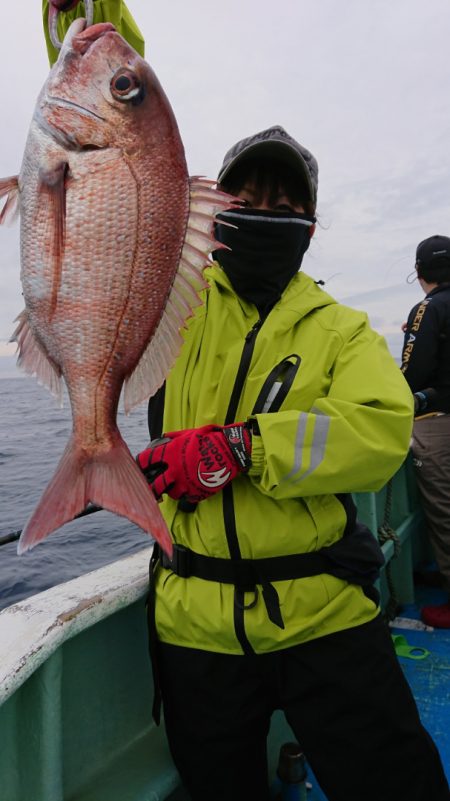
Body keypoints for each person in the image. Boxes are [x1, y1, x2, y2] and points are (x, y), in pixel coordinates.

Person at [44, 4, 450, 799]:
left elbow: (379, 429)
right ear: (208, 213)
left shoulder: (340, 327)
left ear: (310, 223)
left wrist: (240, 447)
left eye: (282, 203)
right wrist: (82, 21)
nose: (262, 214)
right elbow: (114, 156)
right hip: (194, 622)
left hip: (323, 613)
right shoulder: (173, 304)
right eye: (246, 199)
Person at [401, 235, 450, 629]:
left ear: (419, 273)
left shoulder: (428, 308)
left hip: (439, 422)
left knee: (444, 508)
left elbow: (412, 373)